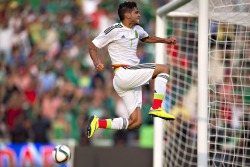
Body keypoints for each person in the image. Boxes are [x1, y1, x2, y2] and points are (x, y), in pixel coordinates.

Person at [86, 1, 176, 138]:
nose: (139, 14)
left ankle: (98, 123)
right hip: (124, 73)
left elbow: (147, 38)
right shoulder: (114, 29)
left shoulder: (137, 29)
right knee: (164, 68)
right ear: (127, 15)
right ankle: (157, 106)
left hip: (129, 80)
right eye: (136, 12)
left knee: (136, 122)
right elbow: (92, 46)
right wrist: (96, 62)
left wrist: (166, 40)